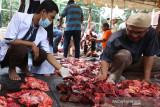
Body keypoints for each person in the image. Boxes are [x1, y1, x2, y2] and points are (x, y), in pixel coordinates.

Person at [0, 0, 73, 80]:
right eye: (51, 17)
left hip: (23, 56)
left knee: (43, 54)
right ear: (43, 12)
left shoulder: (43, 32)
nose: (51, 21)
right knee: (21, 47)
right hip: (8, 55)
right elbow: (9, 40)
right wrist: (31, 44)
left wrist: (61, 69)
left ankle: (23, 65)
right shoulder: (19, 17)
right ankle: (12, 68)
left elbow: (48, 54)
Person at [96, 13, 160, 84]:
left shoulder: (151, 33)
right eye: (130, 31)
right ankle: (113, 77)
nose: (134, 35)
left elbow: (148, 55)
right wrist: (103, 74)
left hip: (134, 63)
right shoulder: (116, 37)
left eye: (139, 32)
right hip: (117, 64)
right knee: (124, 54)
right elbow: (105, 58)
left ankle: (126, 75)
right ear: (126, 25)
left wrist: (146, 78)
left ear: (148, 28)